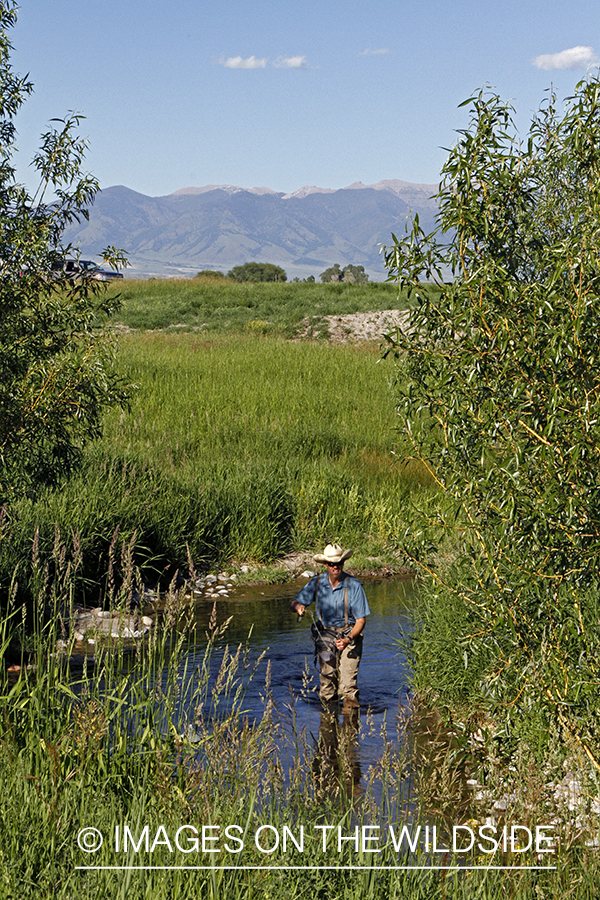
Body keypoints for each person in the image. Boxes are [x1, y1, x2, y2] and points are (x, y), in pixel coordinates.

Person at [290, 543, 370, 710]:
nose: (335, 567)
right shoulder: (316, 583)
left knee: (348, 688)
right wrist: (298, 607)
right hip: (325, 636)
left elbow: (361, 621)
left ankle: (349, 730)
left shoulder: (354, 585)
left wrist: (347, 639)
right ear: (325, 565)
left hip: (350, 636)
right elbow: (294, 602)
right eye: (332, 564)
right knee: (327, 686)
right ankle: (328, 726)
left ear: (343, 563)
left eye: (339, 563)